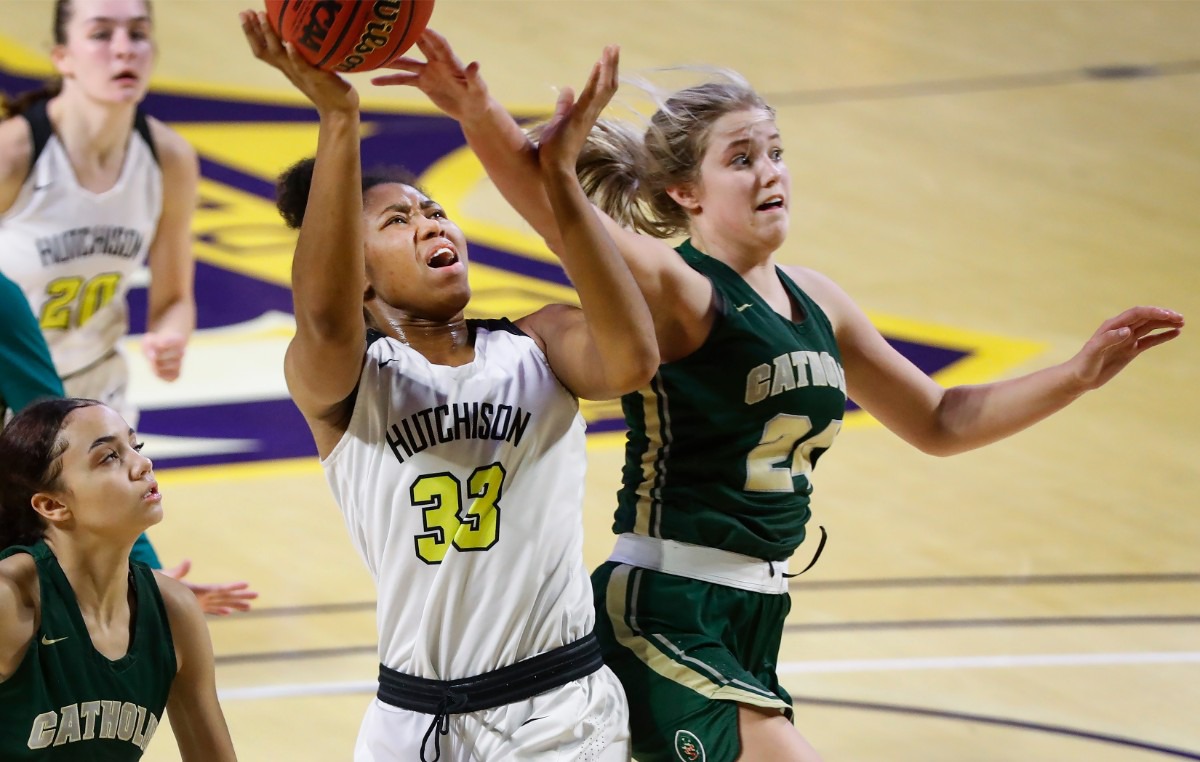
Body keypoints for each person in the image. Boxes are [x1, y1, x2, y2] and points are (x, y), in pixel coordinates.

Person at [377, 30, 1187, 762]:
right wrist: (476, 108)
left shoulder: (819, 300)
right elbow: (556, 210)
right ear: (685, 194)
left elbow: (941, 421)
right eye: (741, 159)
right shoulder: (681, 286)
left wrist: (1078, 374)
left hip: (755, 613)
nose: (769, 172)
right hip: (664, 608)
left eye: (775, 150)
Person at [240, 10, 657, 762]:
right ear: (356, 272)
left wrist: (559, 180)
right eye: (397, 220)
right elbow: (329, 320)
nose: (433, 224)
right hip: (409, 718)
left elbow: (633, 359)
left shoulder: (540, 343)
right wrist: (339, 116)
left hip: (557, 711)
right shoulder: (345, 381)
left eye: (434, 210)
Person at [0, 0, 256, 617]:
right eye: (102, 34)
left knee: (93, 591)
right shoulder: (14, 153)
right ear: (62, 57)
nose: (124, 49)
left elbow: (173, 298)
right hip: (15, 392)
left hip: (89, 392)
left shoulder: (167, 157)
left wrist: (170, 335)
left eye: (139, 35)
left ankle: (146, 596)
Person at [0, 397, 238, 760]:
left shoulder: (174, 612)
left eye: (135, 446)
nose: (143, 463)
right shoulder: (10, 601)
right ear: (52, 505)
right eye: (109, 456)